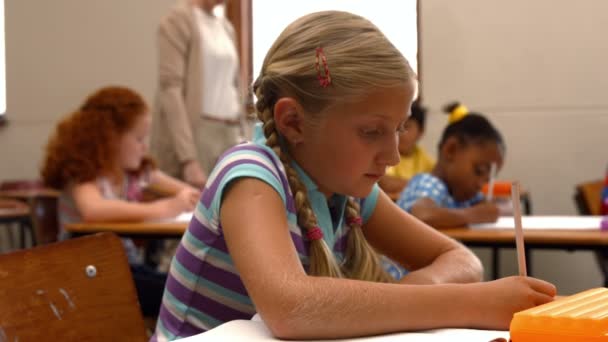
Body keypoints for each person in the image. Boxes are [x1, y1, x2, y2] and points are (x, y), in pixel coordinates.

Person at [151, 11, 556, 341]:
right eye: (371, 132)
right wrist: (471, 303)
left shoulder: (346, 188)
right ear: (293, 122)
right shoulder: (251, 175)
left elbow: (460, 259)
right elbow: (290, 307)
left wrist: (408, 296)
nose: (394, 155)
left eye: (398, 129)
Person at [40, 86, 200, 316]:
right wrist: (165, 207)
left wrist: (190, 196)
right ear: (110, 138)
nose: (144, 147)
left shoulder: (133, 172)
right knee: (180, 295)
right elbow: (93, 210)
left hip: (122, 267)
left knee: (184, 288)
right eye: (138, 139)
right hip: (85, 275)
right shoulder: (84, 172)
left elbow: (189, 192)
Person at [150, 0, 247, 189]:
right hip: (197, 134)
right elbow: (170, 90)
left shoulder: (225, 27)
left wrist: (242, 137)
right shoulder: (177, 21)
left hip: (228, 133)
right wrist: (188, 158)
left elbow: (233, 86)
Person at [396, 102, 503, 228]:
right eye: (478, 171)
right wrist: (474, 215)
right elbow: (423, 216)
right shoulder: (427, 183)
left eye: (487, 179)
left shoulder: (459, 193)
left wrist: (488, 209)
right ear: (450, 150)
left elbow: (487, 207)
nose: (481, 184)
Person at [378, 100, 434, 197]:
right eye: (397, 127)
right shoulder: (385, 153)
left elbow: (436, 185)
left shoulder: (426, 159)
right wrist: (420, 186)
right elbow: (385, 183)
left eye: (406, 127)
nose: (400, 133)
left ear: (421, 132)